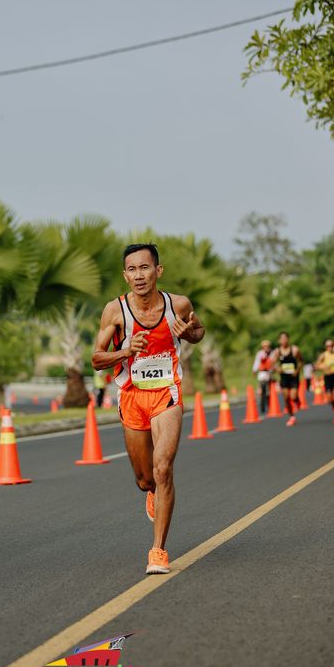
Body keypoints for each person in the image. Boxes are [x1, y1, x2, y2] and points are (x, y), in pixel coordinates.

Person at [92, 243, 204, 574]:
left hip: (167, 393)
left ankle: (158, 550)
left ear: (158, 270)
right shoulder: (115, 311)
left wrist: (190, 333)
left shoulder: (178, 304)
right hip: (132, 396)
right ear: (125, 276)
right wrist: (125, 352)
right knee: (145, 479)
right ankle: (151, 491)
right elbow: (96, 358)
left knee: (163, 467)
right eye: (132, 269)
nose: (139, 275)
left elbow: (198, 331)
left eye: (145, 267)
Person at [272, 332, 302, 427]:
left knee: (293, 396)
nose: (284, 340)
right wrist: (278, 368)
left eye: (285, 338)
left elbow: (300, 361)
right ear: (279, 340)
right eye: (282, 339)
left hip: (293, 377)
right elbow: (273, 363)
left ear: (288, 339)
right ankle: (291, 416)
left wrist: (297, 371)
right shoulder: (277, 351)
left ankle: (297, 400)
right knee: (286, 397)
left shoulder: (294, 350)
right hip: (284, 377)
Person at [315, 340, 334, 424]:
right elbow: (316, 366)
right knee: (330, 399)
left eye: (331, 345)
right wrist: (323, 367)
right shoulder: (323, 355)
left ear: (333, 346)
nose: (329, 347)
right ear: (325, 347)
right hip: (327, 378)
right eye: (327, 346)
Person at [252, 339, 273, 414]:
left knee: (268, 391)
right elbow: (257, 362)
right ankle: (262, 407)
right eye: (265, 346)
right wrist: (254, 370)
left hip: (269, 373)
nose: (266, 348)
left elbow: (273, 363)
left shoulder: (272, 353)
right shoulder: (260, 354)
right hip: (262, 373)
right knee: (262, 390)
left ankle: (269, 405)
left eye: (267, 346)